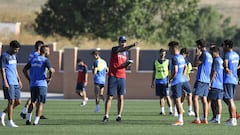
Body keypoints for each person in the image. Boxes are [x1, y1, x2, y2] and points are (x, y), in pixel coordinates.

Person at [102, 35, 138, 122]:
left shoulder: (126, 53)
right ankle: (106, 115)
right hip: (113, 75)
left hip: (122, 76)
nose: (123, 43)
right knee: (110, 96)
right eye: (122, 41)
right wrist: (132, 46)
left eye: (124, 41)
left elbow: (123, 65)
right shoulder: (115, 49)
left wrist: (127, 64)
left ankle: (119, 115)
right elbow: (121, 49)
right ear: (119, 42)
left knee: (121, 97)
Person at [23, 45, 55, 125]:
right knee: (40, 103)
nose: (49, 53)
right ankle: (36, 121)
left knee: (32, 102)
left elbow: (24, 69)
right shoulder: (45, 60)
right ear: (45, 51)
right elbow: (51, 70)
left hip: (33, 84)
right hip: (41, 84)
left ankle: (28, 119)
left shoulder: (33, 59)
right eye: (48, 51)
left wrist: (29, 79)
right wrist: (49, 78)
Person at [20, 40, 47, 120]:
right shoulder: (36, 55)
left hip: (33, 77)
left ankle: (27, 111)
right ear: (39, 47)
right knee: (35, 98)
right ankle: (26, 112)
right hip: (37, 78)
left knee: (33, 97)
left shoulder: (32, 54)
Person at [0, 40, 22, 127]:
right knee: (11, 101)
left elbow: (15, 68)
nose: (17, 51)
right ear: (11, 47)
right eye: (16, 49)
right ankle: (10, 121)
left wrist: (19, 79)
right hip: (9, 81)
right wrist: (5, 81)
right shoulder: (4, 56)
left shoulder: (14, 56)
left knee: (18, 101)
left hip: (15, 81)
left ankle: (3, 113)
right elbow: (2, 70)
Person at [192, 39, 213, 124]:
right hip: (207, 80)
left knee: (195, 98)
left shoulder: (203, 54)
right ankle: (205, 118)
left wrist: (196, 55)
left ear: (199, 46)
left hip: (201, 79)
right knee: (204, 99)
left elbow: (195, 63)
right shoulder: (209, 55)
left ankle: (197, 118)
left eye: (197, 46)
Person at [168, 41, 186, 126]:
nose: (169, 50)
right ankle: (181, 118)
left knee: (177, 100)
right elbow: (185, 67)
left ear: (173, 48)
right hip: (183, 80)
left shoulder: (174, 58)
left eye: (170, 48)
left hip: (176, 81)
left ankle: (180, 120)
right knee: (179, 99)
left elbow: (175, 71)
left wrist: (170, 79)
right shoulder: (181, 57)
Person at [151, 48, 173, 115]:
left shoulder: (168, 61)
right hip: (158, 81)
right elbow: (154, 72)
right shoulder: (155, 62)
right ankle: (162, 110)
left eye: (164, 53)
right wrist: (152, 82)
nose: (163, 55)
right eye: (162, 53)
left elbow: (169, 72)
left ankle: (170, 110)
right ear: (159, 53)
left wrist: (169, 81)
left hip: (165, 81)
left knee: (167, 95)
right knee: (161, 96)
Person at [222, 40, 239, 126]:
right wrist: (234, 70)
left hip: (228, 79)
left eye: (224, 45)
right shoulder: (236, 55)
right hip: (234, 79)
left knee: (230, 99)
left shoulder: (227, 55)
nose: (223, 47)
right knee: (230, 99)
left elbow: (225, 66)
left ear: (228, 46)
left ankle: (233, 120)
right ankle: (233, 118)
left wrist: (226, 69)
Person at [208, 46, 223, 124]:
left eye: (212, 53)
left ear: (215, 52)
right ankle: (217, 118)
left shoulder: (216, 61)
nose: (211, 54)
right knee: (218, 101)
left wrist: (210, 82)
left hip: (215, 84)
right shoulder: (221, 60)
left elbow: (214, 72)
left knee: (211, 101)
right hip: (220, 84)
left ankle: (213, 117)